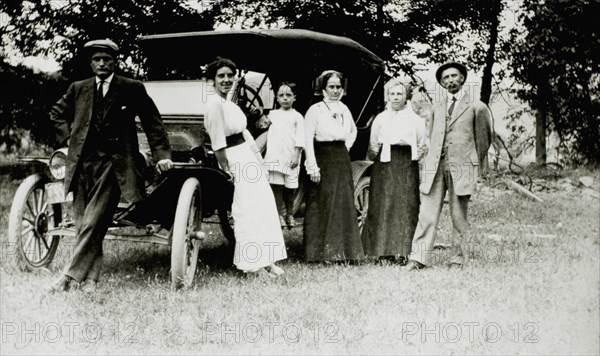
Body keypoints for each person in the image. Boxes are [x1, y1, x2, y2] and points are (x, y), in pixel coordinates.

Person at [47, 39, 173, 292]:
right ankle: (91, 280)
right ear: (91, 63)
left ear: (115, 61)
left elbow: (152, 121)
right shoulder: (78, 88)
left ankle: (68, 276)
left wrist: (162, 155)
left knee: (94, 220)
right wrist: (71, 137)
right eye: (97, 59)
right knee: (85, 223)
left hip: (115, 165)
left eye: (107, 59)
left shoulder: (131, 88)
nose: (102, 64)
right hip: (82, 163)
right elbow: (56, 114)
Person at [405, 62, 493, 270]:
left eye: (454, 76)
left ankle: (457, 258)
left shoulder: (476, 107)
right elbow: (432, 136)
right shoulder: (437, 106)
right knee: (426, 212)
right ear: (442, 83)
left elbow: (483, 140)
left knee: (458, 214)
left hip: (462, 167)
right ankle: (417, 258)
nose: (450, 81)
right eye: (445, 78)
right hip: (435, 166)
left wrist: (473, 163)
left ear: (462, 78)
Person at [203, 57, 286, 276]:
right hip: (234, 159)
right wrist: (226, 168)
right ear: (212, 80)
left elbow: (244, 133)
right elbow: (218, 142)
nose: (226, 80)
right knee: (247, 211)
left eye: (230, 76)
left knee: (263, 206)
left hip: (247, 157)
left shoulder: (229, 104)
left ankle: (267, 259)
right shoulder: (213, 105)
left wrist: (258, 159)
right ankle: (252, 266)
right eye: (221, 76)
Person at [361, 79, 427, 264]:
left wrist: (412, 159)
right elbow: (374, 144)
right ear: (388, 96)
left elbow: (422, 144)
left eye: (399, 94)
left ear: (406, 96)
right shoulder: (381, 118)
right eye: (392, 94)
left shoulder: (415, 120)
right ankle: (382, 252)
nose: (396, 97)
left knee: (406, 204)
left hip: (406, 163)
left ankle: (403, 252)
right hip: (384, 162)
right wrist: (378, 159)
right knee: (383, 203)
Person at [303, 70, 365, 262]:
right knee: (324, 203)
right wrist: (312, 166)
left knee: (343, 203)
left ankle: (344, 253)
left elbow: (353, 131)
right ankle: (320, 253)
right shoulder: (315, 110)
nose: (335, 91)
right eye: (331, 87)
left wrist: (344, 147)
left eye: (338, 87)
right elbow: (307, 139)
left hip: (341, 158)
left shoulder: (344, 108)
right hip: (322, 158)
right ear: (323, 89)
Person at [262, 82, 305, 229]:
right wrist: (260, 115)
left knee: (290, 187)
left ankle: (290, 213)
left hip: (290, 156)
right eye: (281, 95)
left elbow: (300, 137)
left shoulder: (297, 116)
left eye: (288, 95)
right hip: (274, 156)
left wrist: (296, 154)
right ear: (277, 98)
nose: (285, 98)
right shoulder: (272, 115)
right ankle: (279, 214)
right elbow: (261, 126)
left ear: (294, 98)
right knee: (277, 186)